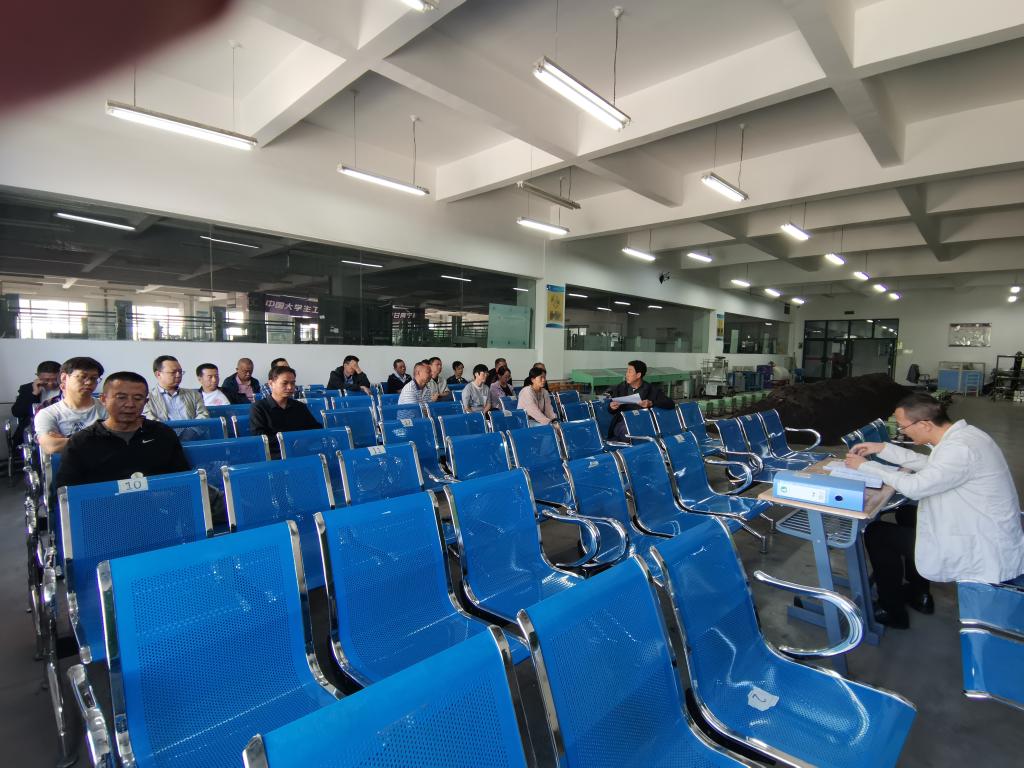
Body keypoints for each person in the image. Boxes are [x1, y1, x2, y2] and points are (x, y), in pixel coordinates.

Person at [845, 393, 1024, 629]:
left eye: (903, 426)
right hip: (975, 522)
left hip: (979, 541)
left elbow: (916, 487)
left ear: (925, 424)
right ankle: (919, 594)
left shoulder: (960, 448)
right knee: (906, 514)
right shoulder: (965, 436)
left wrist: (866, 466)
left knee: (877, 533)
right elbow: (933, 467)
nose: (902, 432)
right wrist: (882, 448)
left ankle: (892, 610)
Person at [53, 371, 190, 489]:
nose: (130, 404)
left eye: (138, 398)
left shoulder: (163, 434)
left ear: (145, 402)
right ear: (103, 400)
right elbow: (66, 492)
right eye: (121, 397)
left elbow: (183, 480)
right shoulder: (82, 441)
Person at [33, 357, 106, 455]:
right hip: (68, 464)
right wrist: (100, 439)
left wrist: (67, 439)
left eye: (93, 378)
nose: (89, 382)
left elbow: (119, 439)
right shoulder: (48, 413)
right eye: (83, 377)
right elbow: (51, 446)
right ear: (64, 378)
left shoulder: (108, 408)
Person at [250, 365, 320, 457]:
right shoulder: (259, 408)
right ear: (271, 384)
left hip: (301, 452)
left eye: (293, 383)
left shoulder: (299, 406)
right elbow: (260, 437)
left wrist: (305, 440)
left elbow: (315, 428)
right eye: (285, 383)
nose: (290, 387)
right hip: (274, 455)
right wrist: (290, 441)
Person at [604, 360, 674, 440]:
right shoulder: (621, 388)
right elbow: (610, 409)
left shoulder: (651, 390)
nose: (627, 374)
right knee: (627, 431)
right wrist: (612, 407)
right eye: (627, 371)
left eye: (630, 372)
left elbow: (670, 404)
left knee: (642, 431)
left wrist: (651, 403)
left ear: (638, 375)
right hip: (624, 422)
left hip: (643, 422)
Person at [143, 355, 209, 421]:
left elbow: (203, 415)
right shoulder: (146, 397)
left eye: (180, 372)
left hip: (193, 428)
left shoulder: (194, 395)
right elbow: (149, 419)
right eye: (173, 372)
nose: (178, 375)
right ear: (158, 374)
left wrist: (191, 427)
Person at [11, 360, 62, 445]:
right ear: (38, 376)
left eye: (55, 379)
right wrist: (34, 394)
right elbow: (17, 412)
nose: (51, 383)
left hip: (59, 428)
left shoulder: (68, 388)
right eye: (46, 380)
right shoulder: (27, 388)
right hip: (31, 429)